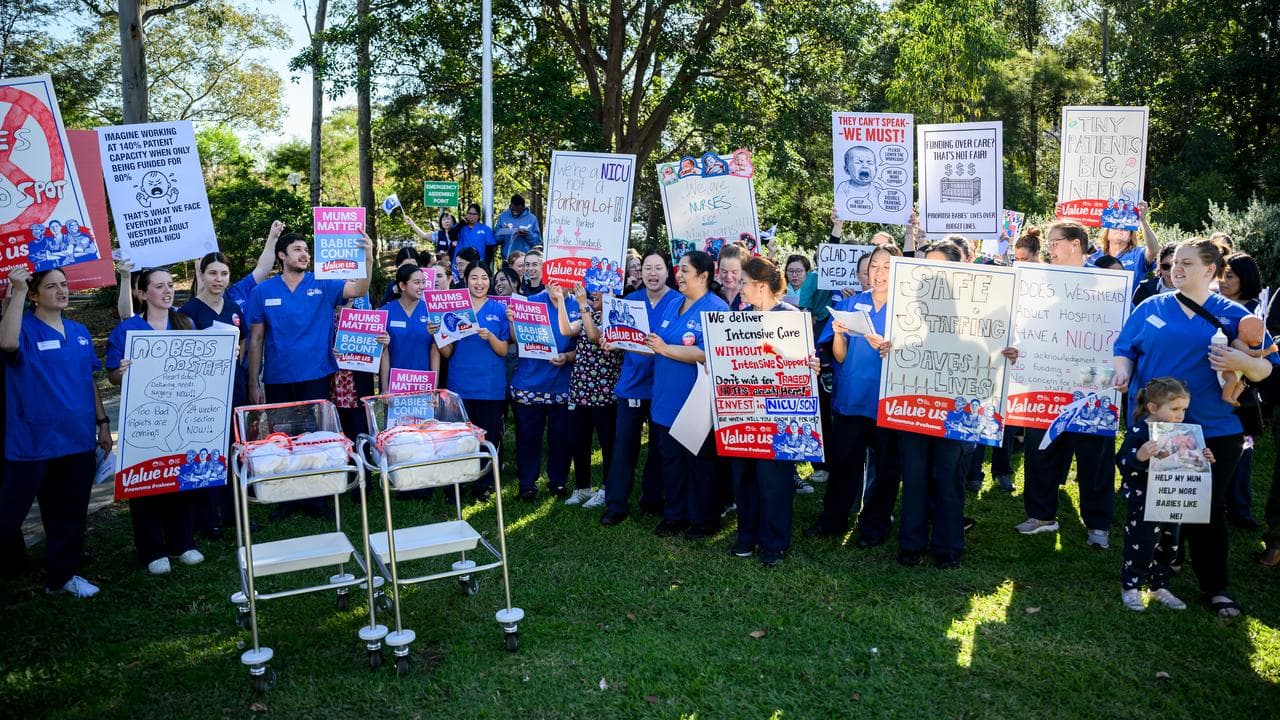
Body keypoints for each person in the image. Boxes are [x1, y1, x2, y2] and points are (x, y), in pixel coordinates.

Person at [1113, 237, 1277, 618]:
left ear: (1210, 270)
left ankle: (1215, 586)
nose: (1177, 269)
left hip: (1215, 429)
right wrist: (1122, 373)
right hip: (1157, 428)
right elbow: (1124, 350)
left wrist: (1241, 361)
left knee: (1207, 508)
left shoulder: (1236, 315)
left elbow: (1267, 367)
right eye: (1175, 264)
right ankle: (1154, 572)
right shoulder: (1151, 307)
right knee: (1155, 504)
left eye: (1187, 263)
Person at [0, 267, 112, 597]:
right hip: (32, 443)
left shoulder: (79, 331)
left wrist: (103, 422)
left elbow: (88, 380)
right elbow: (6, 343)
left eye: (64, 284)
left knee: (69, 514)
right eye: (51, 286)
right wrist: (18, 292)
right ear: (35, 294)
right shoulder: (22, 327)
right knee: (8, 518)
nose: (62, 290)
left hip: (76, 441)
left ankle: (61, 577)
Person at [1016, 220, 1122, 548]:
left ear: (1076, 244)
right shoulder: (1037, 281)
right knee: (1041, 449)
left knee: (1095, 456)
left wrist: (1122, 368)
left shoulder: (1107, 284)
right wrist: (1016, 348)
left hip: (1092, 385)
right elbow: (1022, 323)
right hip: (1045, 379)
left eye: (1055, 242)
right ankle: (1041, 515)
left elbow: (1120, 332)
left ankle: (1098, 524)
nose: (1049, 249)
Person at [105, 267, 203, 575]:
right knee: (146, 480)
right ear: (142, 293)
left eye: (170, 285)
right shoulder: (127, 330)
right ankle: (152, 550)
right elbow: (112, 376)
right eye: (159, 286)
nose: (168, 290)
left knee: (180, 477)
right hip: (144, 418)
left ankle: (183, 543)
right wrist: (121, 372)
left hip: (182, 413)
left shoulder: (185, 323)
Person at [807, 245, 903, 547]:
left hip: (887, 403)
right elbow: (840, 356)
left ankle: (874, 527)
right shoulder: (851, 305)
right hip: (851, 400)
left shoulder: (907, 309)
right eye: (874, 266)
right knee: (844, 465)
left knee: (886, 470)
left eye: (887, 266)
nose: (879, 272)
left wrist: (893, 349)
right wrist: (838, 333)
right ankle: (833, 520)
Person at [729, 257, 811, 566]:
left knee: (773, 479)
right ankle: (746, 536)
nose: (739, 288)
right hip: (743, 413)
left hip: (778, 414)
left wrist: (810, 365)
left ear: (761, 286)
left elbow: (802, 362)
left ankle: (774, 542)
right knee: (744, 476)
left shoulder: (790, 317)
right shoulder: (739, 318)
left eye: (744, 283)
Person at [644, 251, 730, 538]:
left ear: (703, 276)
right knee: (671, 461)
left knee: (700, 463)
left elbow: (708, 352)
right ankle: (675, 516)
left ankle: (704, 521)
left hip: (695, 402)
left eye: (685, 270)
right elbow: (657, 340)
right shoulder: (673, 303)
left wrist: (666, 349)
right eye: (678, 270)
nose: (678, 275)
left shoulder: (717, 309)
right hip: (666, 399)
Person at [246, 232, 373, 407]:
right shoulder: (262, 291)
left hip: (317, 376)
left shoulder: (324, 283)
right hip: (278, 378)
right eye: (297, 249)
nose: (304, 254)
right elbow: (256, 339)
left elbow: (358, 290)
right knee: (281, 426)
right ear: (282, 255)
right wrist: (253, 383)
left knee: (315, 426)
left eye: (306, 250)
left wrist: (368, 259)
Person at [600, 252, 681, 525]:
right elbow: (616, 336)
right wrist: (611, 342)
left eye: (658, 268)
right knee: (624, 446)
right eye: (647, 268)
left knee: (660, 448)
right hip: (632, 386)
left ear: (668, 272)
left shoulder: (678, 302)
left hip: (664, 388)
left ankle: (653, 499)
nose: (652, 273)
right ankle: (616, 505)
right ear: (640, 272)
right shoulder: (629, 301)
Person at [178, 253, 249, 539]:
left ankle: (234, 512)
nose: (218, 279)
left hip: (234, 388)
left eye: (224, 274)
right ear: (202, 275)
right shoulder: (188, 311)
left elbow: (244, 339)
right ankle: (208, 518)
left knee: (234, 449)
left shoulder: (232, 307)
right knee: (207, 454)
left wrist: (236, 358)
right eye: (213, 273)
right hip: (204, 395)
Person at [1116, 377, 1202, 611]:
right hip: (1144, 500)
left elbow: (1188, 463)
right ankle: (1132, 586)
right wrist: (1139, 457)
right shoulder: (1139, 431)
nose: (1180, 415)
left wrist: (1203, 458)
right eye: (1175, 409)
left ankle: (1159, 586)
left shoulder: (1184, 432)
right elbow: (1123, 463)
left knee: (1170, 543)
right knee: (1141, 542)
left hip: (1173, 499)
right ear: (1153, 408)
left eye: (1184, 409)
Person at [439, 262, 510, 500]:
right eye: (474, 278)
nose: (479, 283)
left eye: (484, 278)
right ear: (465, 280)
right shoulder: (455, 308)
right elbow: (448, 352)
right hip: (460, 383)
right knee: (459, 440)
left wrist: (490, 336)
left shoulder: (499, 309)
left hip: (490, 385)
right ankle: (456, 485)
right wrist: (437, 335)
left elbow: (503, 350)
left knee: (488, 438)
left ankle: (484, 485)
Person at [508, 279, 578, 500]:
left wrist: (567, 356)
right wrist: (513, 322)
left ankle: (558, 481)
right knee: (528, 437)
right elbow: (517, 339)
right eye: (550, 278)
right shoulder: (529, 302)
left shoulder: (579, 305)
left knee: (561, 437)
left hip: (563, 384)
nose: (555, 284)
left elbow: (585, 346)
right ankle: (527, 484)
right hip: (530, 383)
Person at [554, 283, 621, 508]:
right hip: (580, 389)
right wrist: (561, 300)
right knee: (578, 440)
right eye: (594, 289)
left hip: (605, 392)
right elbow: (566, 330)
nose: (594, 293)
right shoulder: (588, 313)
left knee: (607, 443)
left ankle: (607, 488)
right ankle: (583, 487)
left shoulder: (617, 318)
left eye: (601, 289)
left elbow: (594, 336)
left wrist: (582, 304)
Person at [1219, 252, 1264, 529]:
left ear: (1244, 279)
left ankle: (1239, 508)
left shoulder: (1258, 310)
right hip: (1214, 386)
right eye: (1221, 275)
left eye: (1230, 276)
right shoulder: (1213, 304)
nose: (1223, 281)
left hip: (1244, 391)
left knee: (1242, 449)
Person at [379, 263, 440, 392]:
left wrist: (434, 389)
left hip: (423, 384)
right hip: (396, 385)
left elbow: (435, 351)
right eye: (417, 282)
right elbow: (384, 352)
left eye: (423, 282)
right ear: (402, 285)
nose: (422, 287)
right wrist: (384, 388)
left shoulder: (431, 311)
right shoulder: (386, 312)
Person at [1087, 202, 1159, 287]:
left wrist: (1142, 220)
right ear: (1107, 234)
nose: (1119, 229)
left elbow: (1154, 250)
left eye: (1125, 227)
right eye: (1115, 225)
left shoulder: (1137, 254)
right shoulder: (1093, 254)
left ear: (1130, 237)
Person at [458, 203, 497, 268]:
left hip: (479, 264)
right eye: (470, 213)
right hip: (462, 263)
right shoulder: (461, 228)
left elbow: (490, 249)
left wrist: (486, 265)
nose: (472, 216)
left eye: (474, 214)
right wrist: (462, 223)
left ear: (478, 215)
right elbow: (451, 235)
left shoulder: (485, 229)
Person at [716, 243, 747, 310]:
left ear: (743, 271)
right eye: (724, 271)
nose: (729, 276)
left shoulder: (751, 298)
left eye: (734, 272)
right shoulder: (712, 296)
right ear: (718, 269)